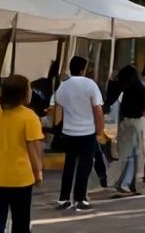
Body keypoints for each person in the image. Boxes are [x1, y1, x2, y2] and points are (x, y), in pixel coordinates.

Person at [0, 75, 43, 232]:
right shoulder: (29, 116)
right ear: (23, 94)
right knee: (21, 224)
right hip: (21, 179)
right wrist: (38, 171)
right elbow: (33, 148)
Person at [50, 56, 104, 212]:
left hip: (69, 131)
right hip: (87, 131)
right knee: (84, 165)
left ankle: (64, 198)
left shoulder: (63, 86)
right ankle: (80, 198)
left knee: (69, 165)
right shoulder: (90, 84)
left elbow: (58, 108)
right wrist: (100, 129)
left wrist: (57, 128)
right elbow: (97, 109)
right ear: (83, 69)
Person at [108, 65, 145, 197]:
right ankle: (127, 182)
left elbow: (111, 99)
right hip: (136, 122)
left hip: (125, 122)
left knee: (125, 154)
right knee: (135, 154)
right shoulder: (141, 88)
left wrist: (112, 81)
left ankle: (123, 181)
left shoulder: (124, 88)